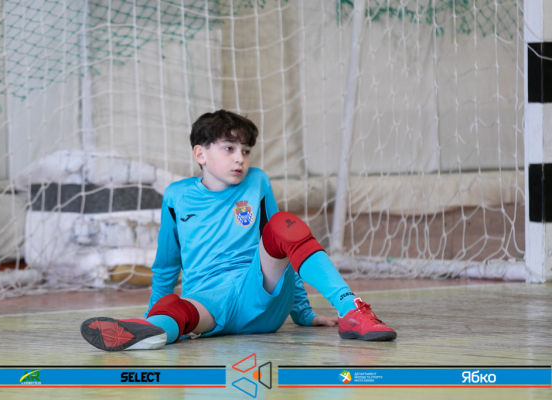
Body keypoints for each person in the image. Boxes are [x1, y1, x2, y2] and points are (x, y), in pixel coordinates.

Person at [80, 110, 396, 351]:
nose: (239, 159)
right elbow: (166, 264)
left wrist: (302, 313)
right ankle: (151, 331)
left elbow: (286, 246)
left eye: (245, 151)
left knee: (283, 224)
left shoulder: (257, 181)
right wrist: (154, 312)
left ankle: (351, 309)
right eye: (229, 148)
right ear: (200, 154)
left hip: (259, 292)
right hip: (207, 303)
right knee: (175, 309)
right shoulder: (177, 196)